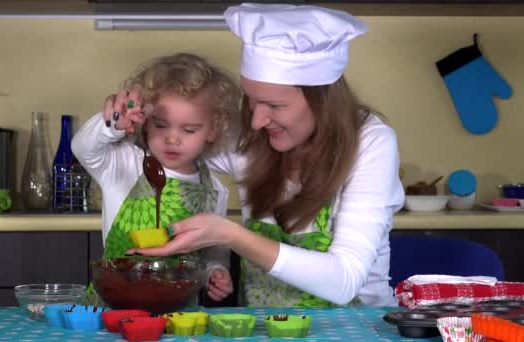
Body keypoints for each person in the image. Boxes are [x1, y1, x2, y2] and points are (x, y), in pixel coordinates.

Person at [127, 3, 405, 307]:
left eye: (275, 106)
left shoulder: (372, 143)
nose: (257, 121)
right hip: (264, 329)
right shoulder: (251, 132)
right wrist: (118, 121)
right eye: (252, 101)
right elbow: (159, 142)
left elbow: (345, 281)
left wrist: (231, 235)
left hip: (357, 329)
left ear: (321, 101)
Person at [72, 53, 241, 302]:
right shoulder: (124, 163)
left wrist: (215, 270)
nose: (172, 138)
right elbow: (82, 147)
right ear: (146, 121)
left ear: (213, 130)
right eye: (161, 125)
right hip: (115, 305)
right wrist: (113, 124)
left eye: (189, 129)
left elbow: (213, 246)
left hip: (179, 310)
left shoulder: (214, 189)